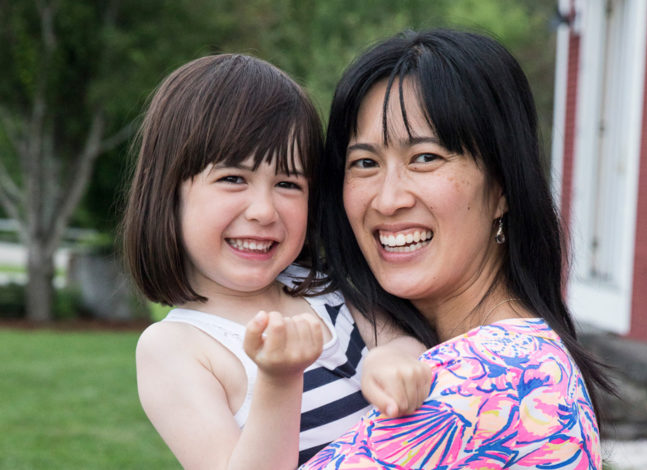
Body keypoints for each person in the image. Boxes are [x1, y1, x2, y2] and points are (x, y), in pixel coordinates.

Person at [302, 29, 611, 469]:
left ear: (503, 186)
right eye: (364, 163)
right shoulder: (525, 358)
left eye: (425, 157)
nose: (388, 199)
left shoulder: (496, 377)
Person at [121, 54, 431, 470]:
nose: (264, 211)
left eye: (288, 183)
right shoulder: (176, 349)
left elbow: (398, 340)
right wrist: (280, 379)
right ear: (169, 191)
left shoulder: (323, 285)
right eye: (233, 178)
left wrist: (390, 361)